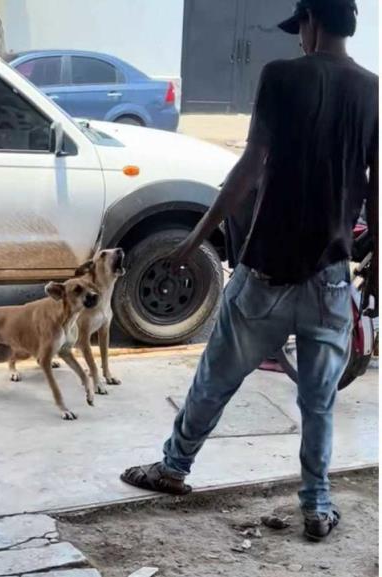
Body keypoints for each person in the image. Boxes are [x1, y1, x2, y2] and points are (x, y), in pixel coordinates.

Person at [120, 0, 377, 543]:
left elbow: (249, 165)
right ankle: (316, 507)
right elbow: (377, 189)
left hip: (265, 274)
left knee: (215, 379)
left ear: (310, 21)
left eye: (299, 28)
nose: (298, 39)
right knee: (319, 401)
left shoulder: (280, 76)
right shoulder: (372, 90)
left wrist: (194, 238)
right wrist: (375, 261)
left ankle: (172, 469)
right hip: (330, 278)